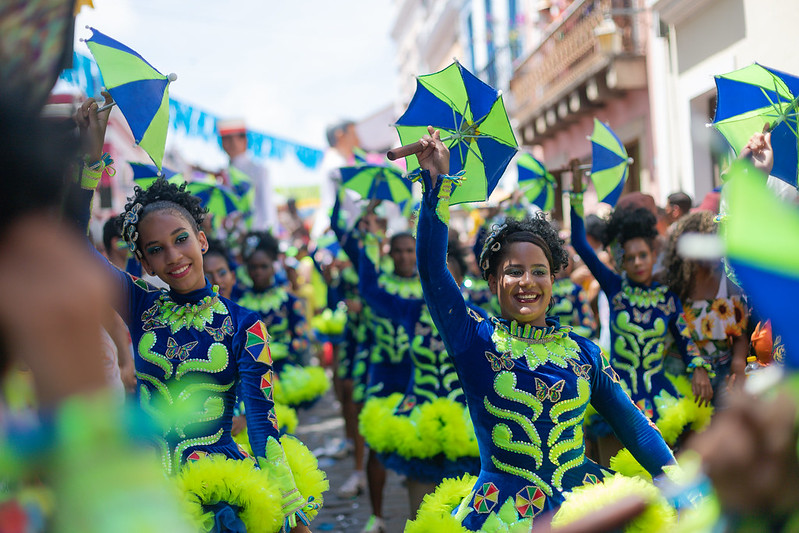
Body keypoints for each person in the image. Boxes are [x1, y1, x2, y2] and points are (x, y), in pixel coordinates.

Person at [75, 97, 325, 532]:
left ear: (202, 240)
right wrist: (90, 161)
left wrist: (293, 514)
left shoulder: (245, 326)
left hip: (220, 498)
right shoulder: (140, 305)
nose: (173, 256)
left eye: (181, 239)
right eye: (156, 250)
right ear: (145, 263)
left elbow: (264, 428)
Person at [407, 127, 676, 531]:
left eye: (539, 271)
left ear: (553, 281)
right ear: (494, 281)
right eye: (513, 272)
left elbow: (634, 426)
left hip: (583, 504)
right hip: (502, 514)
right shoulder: (472, 338)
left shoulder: (584, 354)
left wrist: (681, 484)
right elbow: (431, 270)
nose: (527, 282)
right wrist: (437, 188)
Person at [570, 173, 713, 463]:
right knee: (621, 478)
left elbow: (686, 342)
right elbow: (579, 242)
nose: (637, 262)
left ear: (653, 255)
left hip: (661, 398)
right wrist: (574, 193)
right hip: (617, 396)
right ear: (623, 259)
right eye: (631, 257)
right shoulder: (614, 287)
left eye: (643, 256)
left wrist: (698, 368)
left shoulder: (667, 297)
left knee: (665, 476)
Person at [663, 211, 749, 405]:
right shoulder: (676, 286)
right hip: (682, 370)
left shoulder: (728, 285)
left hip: (723, 371)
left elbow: (740, 335)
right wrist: (696, 367)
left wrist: (738, 364)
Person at [237, 231, 329, 409]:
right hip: (251, 377)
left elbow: (302, 340)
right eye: (253, 267)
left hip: (286, 375)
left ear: (273, 266)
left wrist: (279, 350)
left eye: (263, 266)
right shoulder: (239, 305)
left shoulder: (289, 301)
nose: (258, 272)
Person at [218, 118, 278, 232]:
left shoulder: (258, 170)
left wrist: (269, 238)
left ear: (244, 140)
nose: (229, 143)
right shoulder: (223, 173)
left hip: (256, 236)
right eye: (225, 139)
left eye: (233, 138)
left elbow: (267, 209)